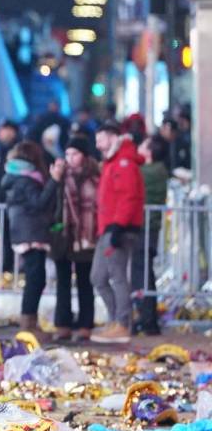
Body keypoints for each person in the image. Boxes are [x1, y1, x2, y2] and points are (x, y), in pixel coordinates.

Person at [90, 122, 144, 344]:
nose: (98, 144)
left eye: (101, 139)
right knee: (98, 277)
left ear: (113, 137)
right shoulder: (113, 163)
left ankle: (122, 323)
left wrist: (118, 226)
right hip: (109, 227)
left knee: (117, 276)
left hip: (118, 229)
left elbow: (128, 197)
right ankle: (117, 320)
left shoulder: (123, 164)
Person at [2, 141, 57, 330]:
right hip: (31, 233)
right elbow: (39, 203)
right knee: (35, 279)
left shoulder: (16, 177)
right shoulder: (27, 179)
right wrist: (54, 181)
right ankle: (28, 323)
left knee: (36, 277)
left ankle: (30, 321)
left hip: (25, 231)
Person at [50, 135, 99, 341]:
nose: (70, 157)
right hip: (64, 234)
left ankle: (85, 325)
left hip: (86, 236)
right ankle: (63, 324)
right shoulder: (60, 175)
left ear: (85, 156)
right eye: (68, 153)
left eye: (75, 153)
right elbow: (51, 200)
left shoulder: (94, 176)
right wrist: (54, 179)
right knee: (62, 281)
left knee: (85, 281)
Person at [134, 135, 168, 335]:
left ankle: (147, 319)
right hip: (148, 226)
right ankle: (148, 318)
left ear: (150, 151)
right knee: (145, 272)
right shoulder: (157, 170)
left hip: (146, 227)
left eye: (143, 145)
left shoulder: (150, 172)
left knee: (143, 273)